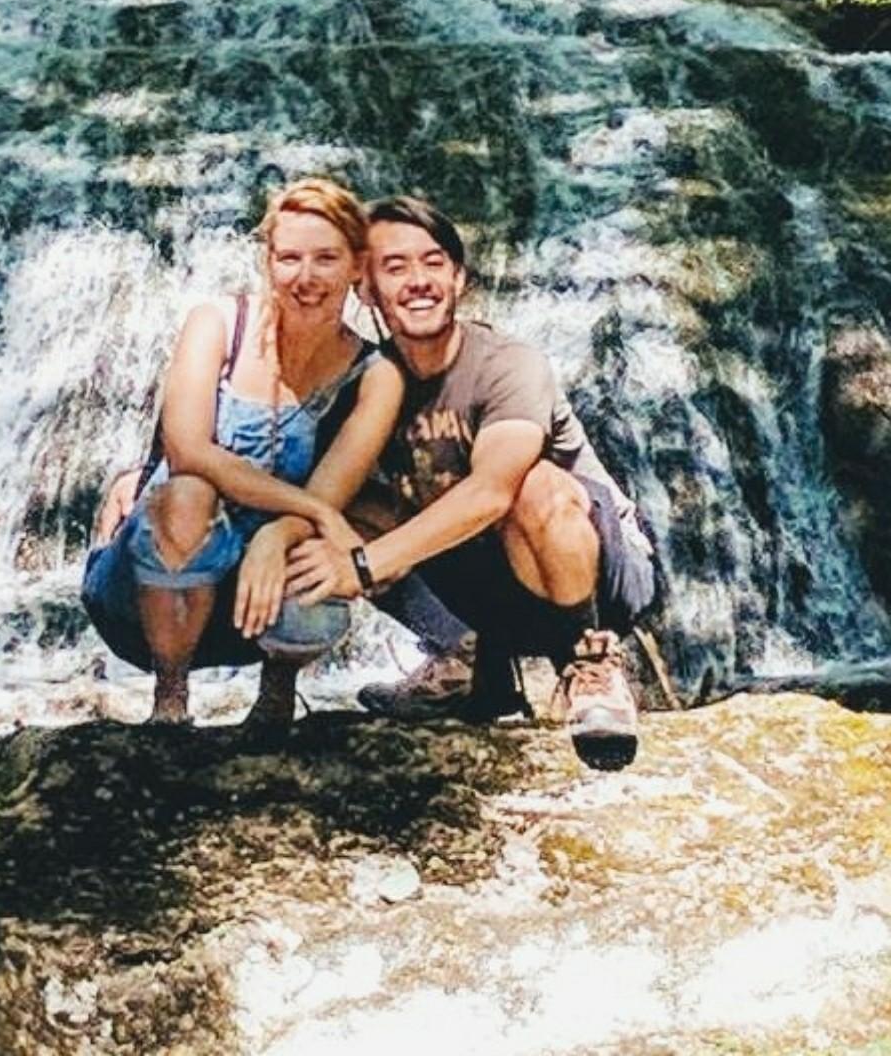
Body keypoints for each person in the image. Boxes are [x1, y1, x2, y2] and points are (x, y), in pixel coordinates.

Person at [285, 195, 658, 769]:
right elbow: (288, 459)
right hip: (487, 583)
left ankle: (591, 664)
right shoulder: (370, 381)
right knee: (338, 511)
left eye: (433, 262)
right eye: (395, 267)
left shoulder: (507, 363)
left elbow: (492, 492)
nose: (418, 281)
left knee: (534, 486)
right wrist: (150, 472)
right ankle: (463, 653)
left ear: (459, 278)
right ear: (366, 290)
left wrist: (361, 566)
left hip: (600, 575)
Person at [82, 178, 406, 727]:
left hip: (258, 602)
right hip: (143, 593)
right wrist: (318, 513)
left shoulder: (375, 377)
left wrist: (287, 531)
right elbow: (188, 451)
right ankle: (170, 699)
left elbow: (331, 494)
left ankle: (277, 689)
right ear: (268, 261)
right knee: (188, 495)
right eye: (289, 258)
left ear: (357, 265)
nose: (306, 278)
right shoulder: (217, 324)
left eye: (326, 259)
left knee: (314, 555)